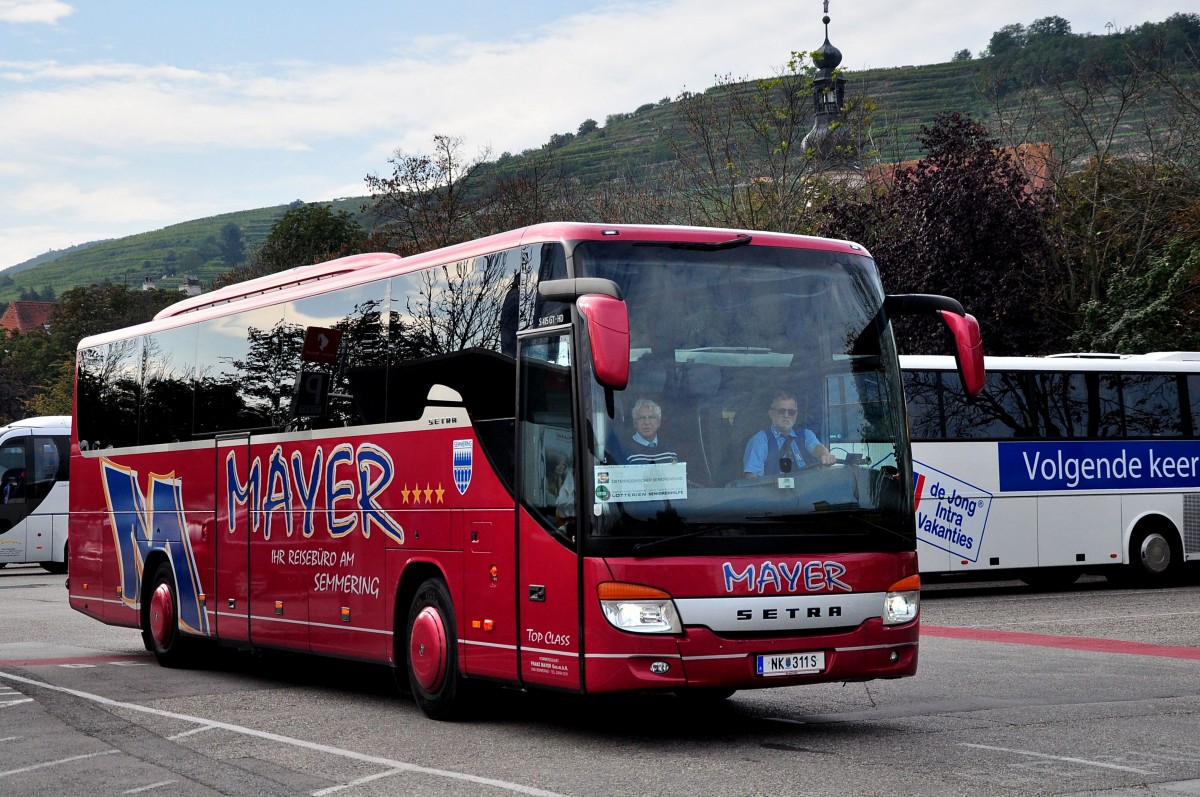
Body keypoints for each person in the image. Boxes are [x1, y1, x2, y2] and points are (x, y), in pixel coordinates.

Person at [742, 391, 835, 478]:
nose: (786, 415)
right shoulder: (760, 440)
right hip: (773, 490)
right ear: (771, 413)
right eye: (781, 411)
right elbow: (752, 477)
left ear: (796, 414)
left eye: (791, 412)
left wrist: (825, 454)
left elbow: (817, 448)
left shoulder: (806, 435)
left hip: (807, 489)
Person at [614, 398, 679, 464]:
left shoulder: (670, 450)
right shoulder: (623, 450)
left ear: (658, 422)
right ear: (635, 423)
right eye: (642, 418)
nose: (647, 422)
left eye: (651, 417)